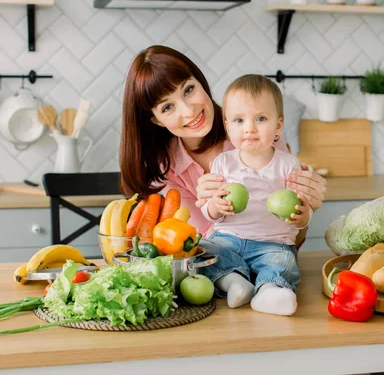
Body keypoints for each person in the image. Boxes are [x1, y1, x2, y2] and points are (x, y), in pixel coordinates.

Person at [118, 45, 326, 247]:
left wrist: (307, 209)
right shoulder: (170, 169)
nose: (189, 111)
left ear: (200, 82)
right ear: (157, 120)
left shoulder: (258, 134)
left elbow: (290, 237)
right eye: (168, 107)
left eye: (188, 89)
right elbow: (200, 245)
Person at [198, 74, 309, 316]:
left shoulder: (289, 165)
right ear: (227, 127)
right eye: (239, 120)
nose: (249, 128)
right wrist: (216, 206)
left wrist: (302, 217)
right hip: (229, 239)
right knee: (203, 249)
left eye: (260, 118)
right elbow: (209, 211)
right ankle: (234, 283)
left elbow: (302, 209)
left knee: (283, 264)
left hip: (273, 243)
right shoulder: (223, 164)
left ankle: (270, 291)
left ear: (278, 126)